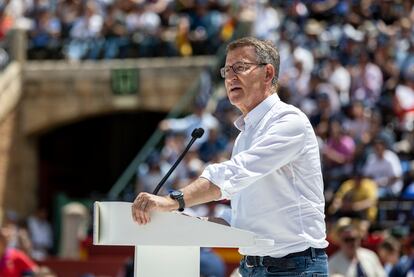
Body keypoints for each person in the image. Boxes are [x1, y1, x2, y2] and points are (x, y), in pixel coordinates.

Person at [131, 36, 328, 276]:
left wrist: (175, 200)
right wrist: (184, 223)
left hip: (295, 268)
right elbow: (242, 216)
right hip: (253, 267)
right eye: (227, 70)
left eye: (241, 68)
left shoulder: (289, 121)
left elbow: (235, 173)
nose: (231, 77)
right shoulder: (245, 135)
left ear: (268, 74)